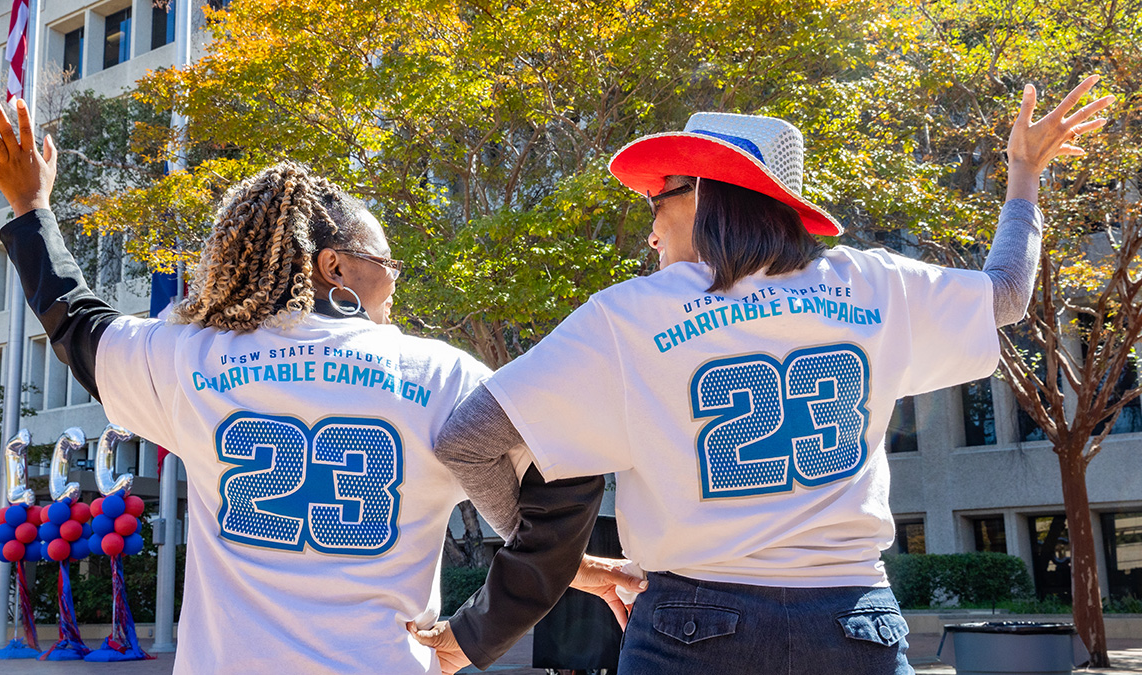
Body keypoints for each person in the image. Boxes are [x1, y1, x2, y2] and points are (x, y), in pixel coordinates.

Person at [414, 76, 1115, 674]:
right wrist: (1023, 176)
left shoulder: (630, 315)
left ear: (712, 196)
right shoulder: (873, 284)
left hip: (692, 623)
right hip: (855, 622)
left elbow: (467, 439)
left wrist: (560, 561)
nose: (651, 225)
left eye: (661, 197)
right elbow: (1008, 294)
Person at [0, 96, 637, 674]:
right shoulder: (442, 376)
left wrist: (31, 206)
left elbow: (76, 322)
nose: (396, 274)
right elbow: (557, 477)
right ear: (334, 265)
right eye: (386, 258)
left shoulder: (191, 360)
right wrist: (557, 568)